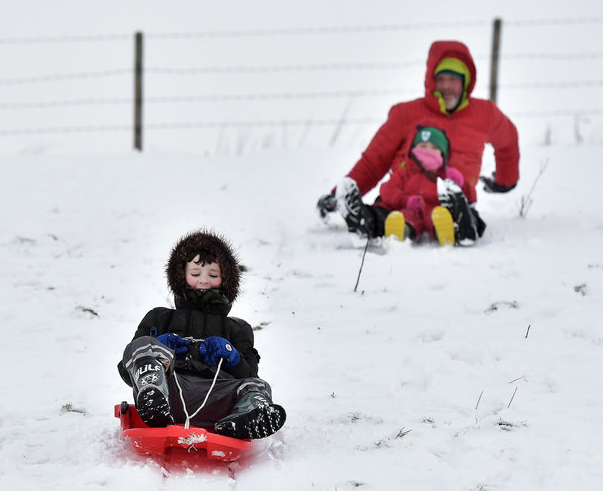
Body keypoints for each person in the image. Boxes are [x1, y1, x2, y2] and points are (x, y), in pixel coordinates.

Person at [317, 40, 520, 244]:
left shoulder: (485, 114)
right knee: (381, 214)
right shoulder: (406, 114)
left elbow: (508, 141)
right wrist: (336, 196)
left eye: (453, 79)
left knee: (464, 213)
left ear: (466, 81)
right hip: (402, 202)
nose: (447, 86)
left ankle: (461, 228)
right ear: (431, 80)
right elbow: (373, 161)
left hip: (453, 203)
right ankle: (363, 221)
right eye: (440, 79)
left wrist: (505, 181)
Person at [117, 229, 286, 440]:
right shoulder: (159, 318)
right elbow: (126, 371)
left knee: (257, 386)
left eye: (213, 275)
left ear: (225, 279)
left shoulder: (238, 328)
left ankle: (242, 418)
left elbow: (250, 374)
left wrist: (232, 356)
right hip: (169, 393)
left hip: (217, 399)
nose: (204, 281)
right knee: (142, 344)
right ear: (181, 275)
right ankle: (153, 393)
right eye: (195, 274)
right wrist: (157, 346)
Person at [378, 124, 476, 245]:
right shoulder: (404, 173)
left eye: (434, 147)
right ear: (413, 149)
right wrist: (405, 201)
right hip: (412, 210)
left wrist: (460, 184)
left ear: (443, 153)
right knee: (405, 216)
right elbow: (387, 190)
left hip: (437, 210)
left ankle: (444, 233)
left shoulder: (447, 174)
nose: (428, 151)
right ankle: (403, 231)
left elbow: (469, 199)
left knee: (438, 216)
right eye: (423, 146)